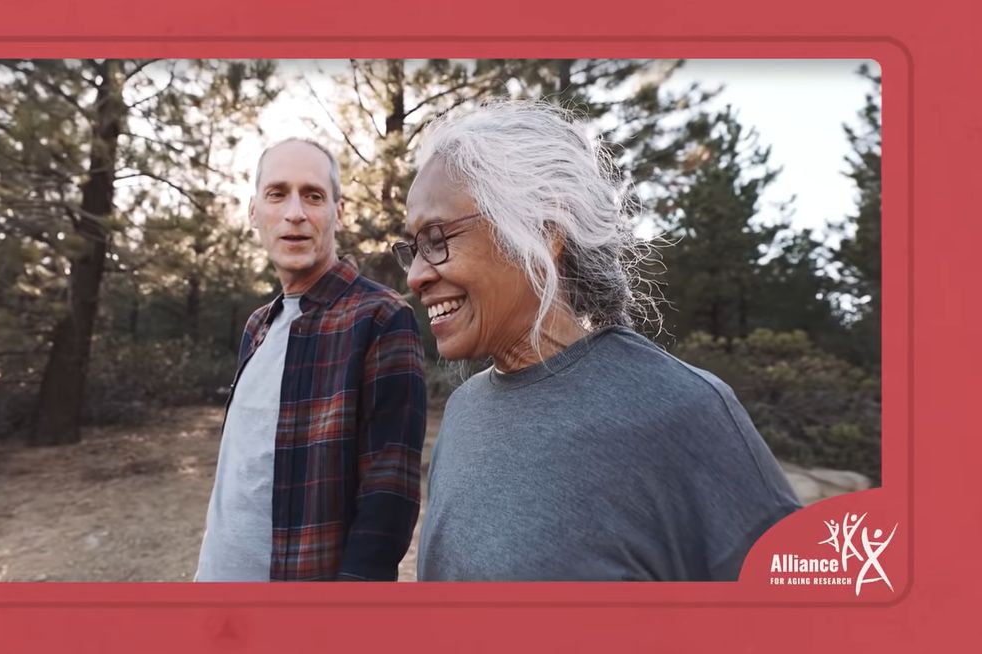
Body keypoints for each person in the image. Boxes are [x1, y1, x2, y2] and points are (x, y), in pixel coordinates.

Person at [394, 100, 800, 582]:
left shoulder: (683, 411)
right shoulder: (464, 413)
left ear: (544, 230)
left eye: (437, 238)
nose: (416, 275)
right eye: (413, 247)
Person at [194, 138, 426, 581]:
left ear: (338, 213)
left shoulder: (380, 317)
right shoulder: (257, 326)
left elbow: (387, 498)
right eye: (277, 193)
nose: (295, 213)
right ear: (253, 212)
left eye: (314, 195)